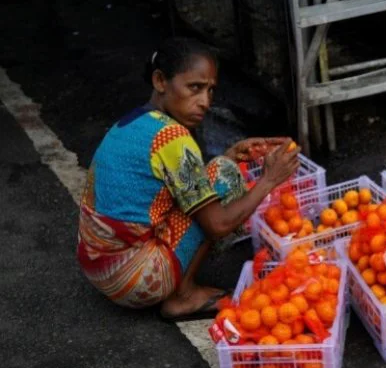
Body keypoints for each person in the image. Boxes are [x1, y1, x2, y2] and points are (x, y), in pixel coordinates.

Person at [77, 36, 300, 320]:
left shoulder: (132, 122)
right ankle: (183, 296)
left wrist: (230, 154)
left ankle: (175, 282)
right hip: (137, 281)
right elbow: (217, 224)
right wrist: (269, 179)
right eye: (195, 88)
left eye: (210, 91)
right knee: (226, 177)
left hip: (99, 268)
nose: (205, 102)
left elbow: (176, 183)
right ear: (160, 81)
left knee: (219, 169)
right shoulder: (174, 137)